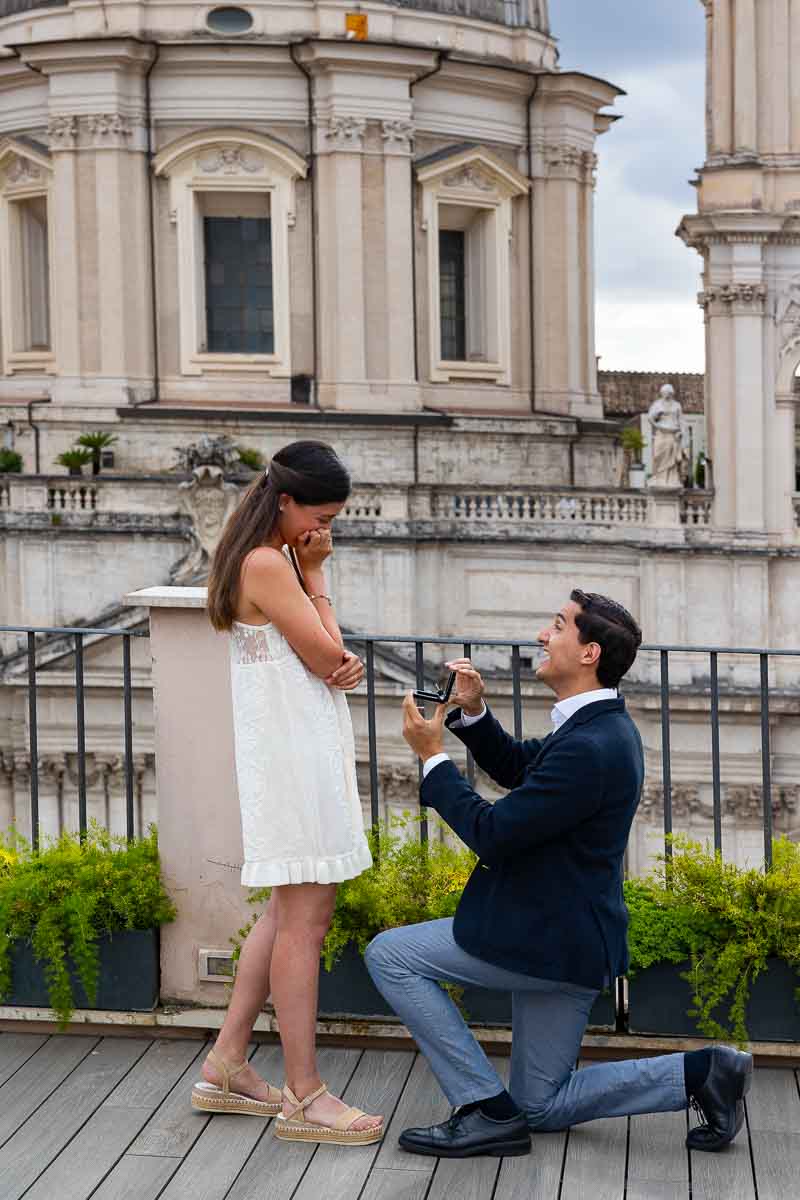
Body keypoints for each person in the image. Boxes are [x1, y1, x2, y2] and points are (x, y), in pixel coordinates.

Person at [365, 590, 752, 1159]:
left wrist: (432, 757)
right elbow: (526, 770)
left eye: (557, 627)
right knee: (540, 1106)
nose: (542, 637)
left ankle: (481, 1107)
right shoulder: (601, 728)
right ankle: (702, 1073)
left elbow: (494, 835)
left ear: (589, 651)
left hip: (539, 940)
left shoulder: (592, 746)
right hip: (568, 946)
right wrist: (472, 715)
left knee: (389, 955)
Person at [193, 440, 384, 1147]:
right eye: (320, 516)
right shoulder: (273, 563)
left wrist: (310, 575)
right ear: (285, 502)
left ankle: (227, 1062)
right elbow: (333, 657)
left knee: (284, 913)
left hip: (290, 753)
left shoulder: (266, 558)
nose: (323, 531)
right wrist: (317, 577)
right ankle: (304, 1095)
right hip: (294, 759)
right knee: (306, 923)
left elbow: (327, 662)